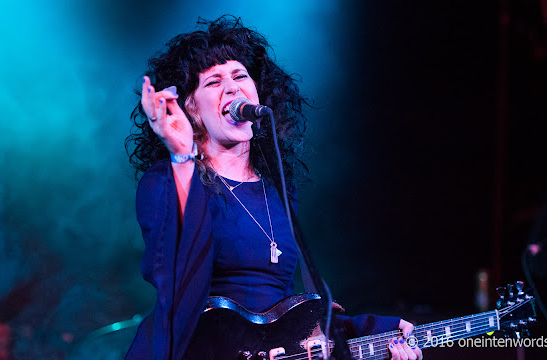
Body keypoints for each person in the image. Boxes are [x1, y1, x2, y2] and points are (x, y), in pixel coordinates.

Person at [124, 16, 422, 360]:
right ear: (192, 109)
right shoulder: (168, 179)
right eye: (213, 82)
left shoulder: (278, 189)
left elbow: (282, 313)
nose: (233, 88)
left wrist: (368, 332)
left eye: (240, 76)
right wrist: (182, 155)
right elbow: (175, 278)